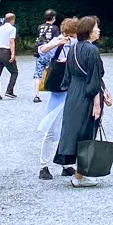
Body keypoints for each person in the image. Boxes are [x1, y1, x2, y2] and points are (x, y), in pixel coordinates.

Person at [54, 16, 110, 187]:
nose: (98, 30)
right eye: (96, 27)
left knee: (74, 132)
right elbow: (93, 78)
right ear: (88, 30)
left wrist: (104, 90)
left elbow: (69, 76)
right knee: (87, 132)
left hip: (74, 93)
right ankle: (80, 176)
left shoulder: (73, 48)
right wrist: (97, 102)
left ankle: (80, 172)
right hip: (87, 94)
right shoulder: (92, 50)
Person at [36, 16, 78, 179]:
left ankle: (66, 164)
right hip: (59, 89)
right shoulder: (58, 41)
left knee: (69, 128)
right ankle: (43, 166)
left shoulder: (77, 43)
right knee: (51, 128)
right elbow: (41, 52)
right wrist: (57, 43)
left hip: (72, 88)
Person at [0, 11, 19, 100]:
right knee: (14, 72)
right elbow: (11, 41)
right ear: (12, 20)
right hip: (6, 51)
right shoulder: (12, 29)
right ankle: (9, 91)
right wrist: (13, 53)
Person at [32, 9, 59, 103]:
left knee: (38, 74)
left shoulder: (40, 27)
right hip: (50, 52)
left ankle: (36, 95)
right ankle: (54, 94)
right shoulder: (55, 28)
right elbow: (56, 41)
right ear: (54, 18)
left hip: (40, 52)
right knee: (52, 72)